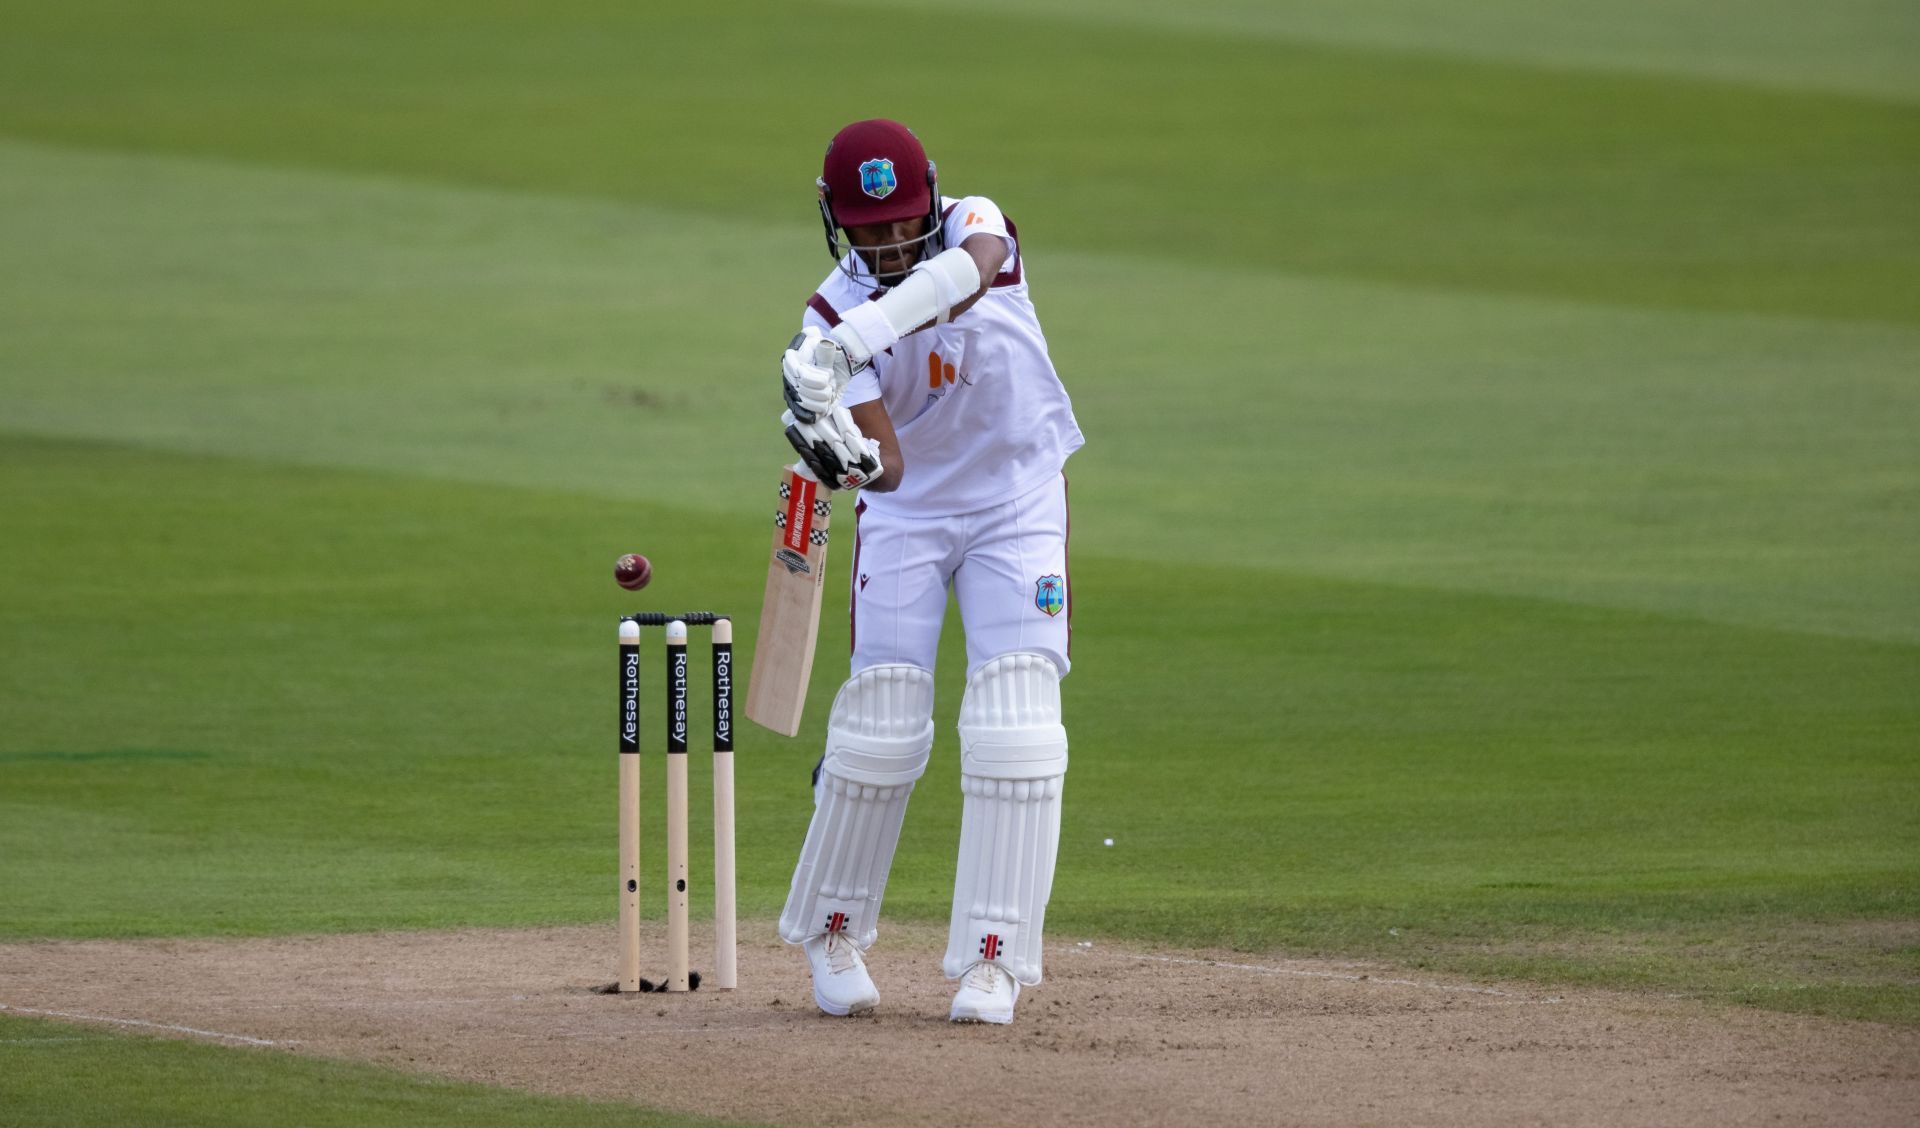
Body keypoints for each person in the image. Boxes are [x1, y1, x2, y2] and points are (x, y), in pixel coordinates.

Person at [774, 119, 1084, 1025]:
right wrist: (844, 451)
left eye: (902, 222)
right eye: (869, 231)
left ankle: (993, 960)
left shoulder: (972, 225)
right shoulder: (826, 320)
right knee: (882, 723)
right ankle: (833, 934)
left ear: (932, 203)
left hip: (1019, 499)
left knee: (1019, 723)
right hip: (912, 515)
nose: (889, 243)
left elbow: (979, 265)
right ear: (837, 222)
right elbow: (894, 468)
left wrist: (848, 345)